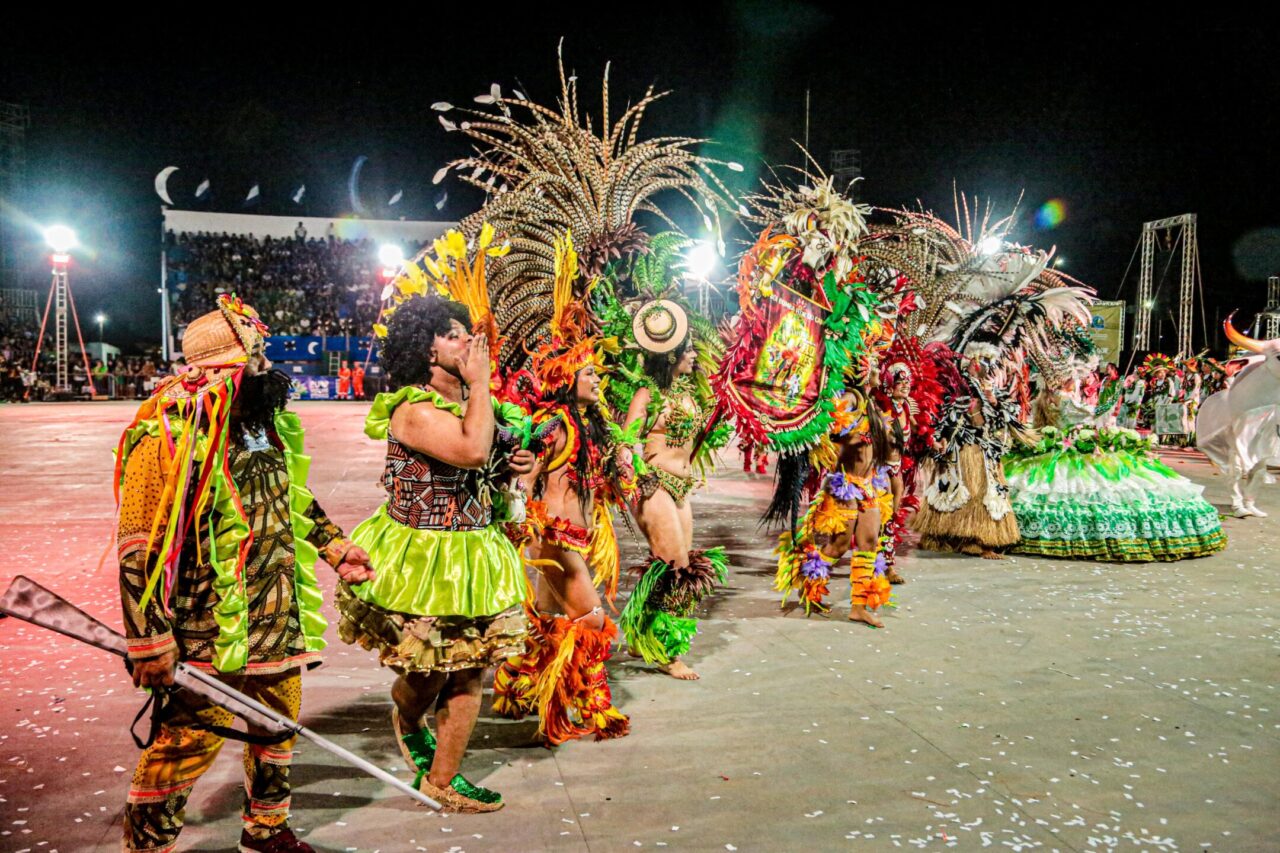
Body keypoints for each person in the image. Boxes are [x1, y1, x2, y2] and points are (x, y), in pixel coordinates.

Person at [117, 296, 374, 853]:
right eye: (255, 356)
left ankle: (266, 830)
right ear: (218, 369)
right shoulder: (165, 437)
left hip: (276, 612)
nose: (267, 366)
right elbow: (137, 547)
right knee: (188, 740)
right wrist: (149, 640)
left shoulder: (263, 424)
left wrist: (335, 548)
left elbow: (290, 498)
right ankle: (148, 845)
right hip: (211, 626)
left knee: (278, 724)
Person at [336, 291, 533, 812]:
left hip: (476, 553)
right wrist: (481, 386)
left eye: (466, 333)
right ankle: (407, 715)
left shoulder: (475, 403)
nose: (467, 342)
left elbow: (491, 459)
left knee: (470, 667)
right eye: (452, 335)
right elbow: (471, 449)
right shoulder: (413, 410)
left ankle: (442, 780)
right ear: (426, 350)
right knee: (425, 673)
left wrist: (519, 464)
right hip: (424, 560)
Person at [492, 253, 632, 740]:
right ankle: (595, 708)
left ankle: (516, 687)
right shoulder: (553, 424)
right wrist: (523, 524)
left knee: (549, 620)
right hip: (554, 538)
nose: (597, 380)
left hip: (573, 536)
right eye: (589, 373)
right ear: (566, 379)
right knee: (591, 619)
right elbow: (523, 476)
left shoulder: (586, 422)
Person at [618, 300, 727, 681]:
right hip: (655, 486)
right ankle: (668, 653)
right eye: (689, 350)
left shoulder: (686, 392)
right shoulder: (646, 395)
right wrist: (633, 470)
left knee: (677, 567)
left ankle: (640, 633)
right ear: (671, 356)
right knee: (678, 567)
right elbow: (627, 440)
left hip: (681, 487)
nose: (695, 355)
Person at [1006, 375, 1227, 561]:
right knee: (1092, 489)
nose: (1077, 380)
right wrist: (1112, 399)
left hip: (1056, 447)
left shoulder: (1046, 398)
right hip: (1070, 449)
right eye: (1074, 377)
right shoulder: (1064, 398)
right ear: (1065, 380)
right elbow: (1089, 412)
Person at [911, 355, 1024, 559]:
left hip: (984, 450)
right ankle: (950, 537)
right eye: (974, 360)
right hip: (963, 450)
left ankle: (979, 539)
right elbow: (946, 417)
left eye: (983, 361)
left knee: (983, 493)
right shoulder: (958, 387)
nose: (977, 364)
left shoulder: (989, 389)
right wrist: (943, 436)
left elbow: (1004, 419)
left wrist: (993, 401)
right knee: (959, 492)